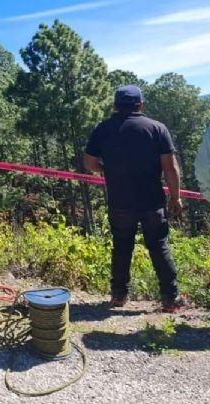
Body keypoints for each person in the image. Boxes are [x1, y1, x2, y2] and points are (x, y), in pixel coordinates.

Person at [84, 85, 188, 313]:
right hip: (151, 201)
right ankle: (170, 299)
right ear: (140, 105)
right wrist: (175, 197)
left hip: (120, 202)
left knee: (122, 247)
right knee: (159, 247)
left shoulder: (103, 129)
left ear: (115, 105)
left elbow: (90, 163)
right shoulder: (156, 128)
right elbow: (170, 168)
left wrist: (107, 169)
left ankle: (119, 295)